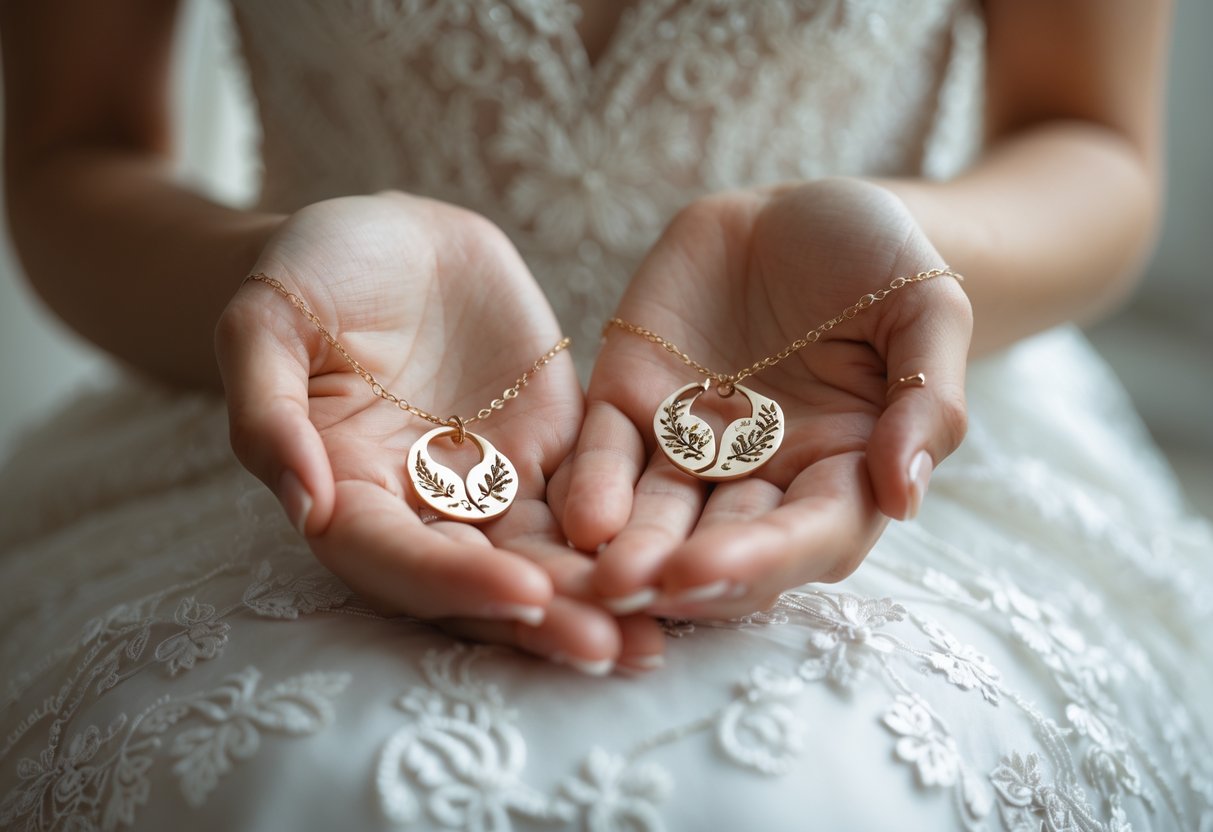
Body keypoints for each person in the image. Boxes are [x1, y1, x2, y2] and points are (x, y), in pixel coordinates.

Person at [1, 1, 1209, 830]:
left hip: (851, 393)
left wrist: (904, 277)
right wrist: (269, 280)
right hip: (345, 394)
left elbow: (1090, 137)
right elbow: (73, 150)